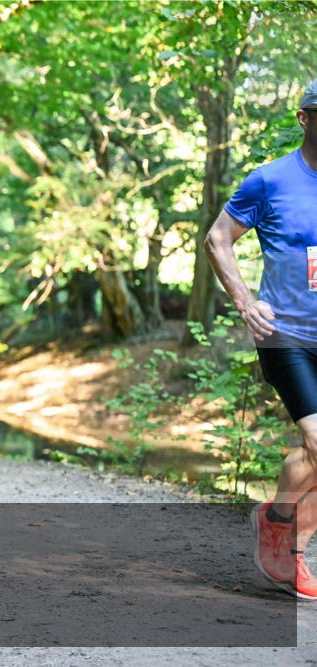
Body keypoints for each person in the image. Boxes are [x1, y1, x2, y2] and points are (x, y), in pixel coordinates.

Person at [205, 79, 317, 601]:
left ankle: (279, 524)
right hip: (286, 335)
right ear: (304, 118)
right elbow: (217, 238)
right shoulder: (270, 180)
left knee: (313, 454)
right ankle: (290, 548)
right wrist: (247, 302)